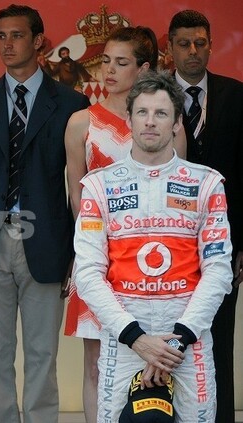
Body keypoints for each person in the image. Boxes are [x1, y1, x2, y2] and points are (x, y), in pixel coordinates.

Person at [73, 70, 232, 422]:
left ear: (176, 123)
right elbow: (87, 274)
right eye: (142, 112)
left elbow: (219, 271)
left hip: (188, 337)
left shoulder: (206, 184)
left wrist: (178, 340)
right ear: (128, 119)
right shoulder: (99, 186)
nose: (150, 121)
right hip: (124, 338)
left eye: (161, 113)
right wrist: (136, 338)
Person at [0, 5, 89, 422]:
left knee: (42, 355)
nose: (7, 44)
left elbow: (82, 187)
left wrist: (79, 252)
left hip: (47, 242)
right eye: (1, 36)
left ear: (38, 41)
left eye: (16, 35)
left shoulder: (71, 103)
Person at [63, 25, 183, 423]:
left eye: (121, 62)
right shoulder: (81, 122)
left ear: (144, 68)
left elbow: (178, 198)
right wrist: (86, 256)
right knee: (97, 364)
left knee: (159, 359)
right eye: (105, 62)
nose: (109, 70)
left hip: (155, 264)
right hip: (99, 261)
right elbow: (77, 197)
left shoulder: (163, 123)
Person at [167, 10, 243, 423]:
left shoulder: (236, 95)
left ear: (211, 45)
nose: (193, 51)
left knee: (220, 339)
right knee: (166, 339)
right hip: (163, 242)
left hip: (223, 243)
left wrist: (242, 244)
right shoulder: (155, 95)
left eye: (200, 43)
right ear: (170, 48)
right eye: (184, 43)